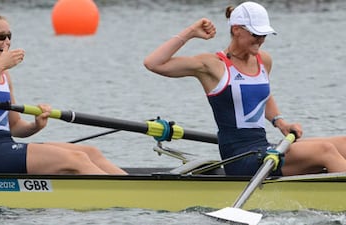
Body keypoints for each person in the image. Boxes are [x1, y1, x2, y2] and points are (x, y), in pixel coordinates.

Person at [144, 1, 346, 176]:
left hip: (264, 149)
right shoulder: (212, 66)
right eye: (256, 34)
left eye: (264, 34)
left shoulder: (264, 60)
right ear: (236, 29)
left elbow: (262, 96)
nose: (261, 39)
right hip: (240, 159)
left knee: (343, 143)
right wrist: (190, 33)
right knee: (325, 150)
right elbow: (153, 63)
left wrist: (280, 122)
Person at [0, 12, 127, 175]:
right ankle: (123, 198)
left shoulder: (3, 75)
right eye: (1, 37)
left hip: (5, 147)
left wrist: (36, 125)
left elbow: (14, 126)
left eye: (9, 36)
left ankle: (135, 189)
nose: (7, 42)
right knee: (77, 159)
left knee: (90, 153)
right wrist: (0, 66)